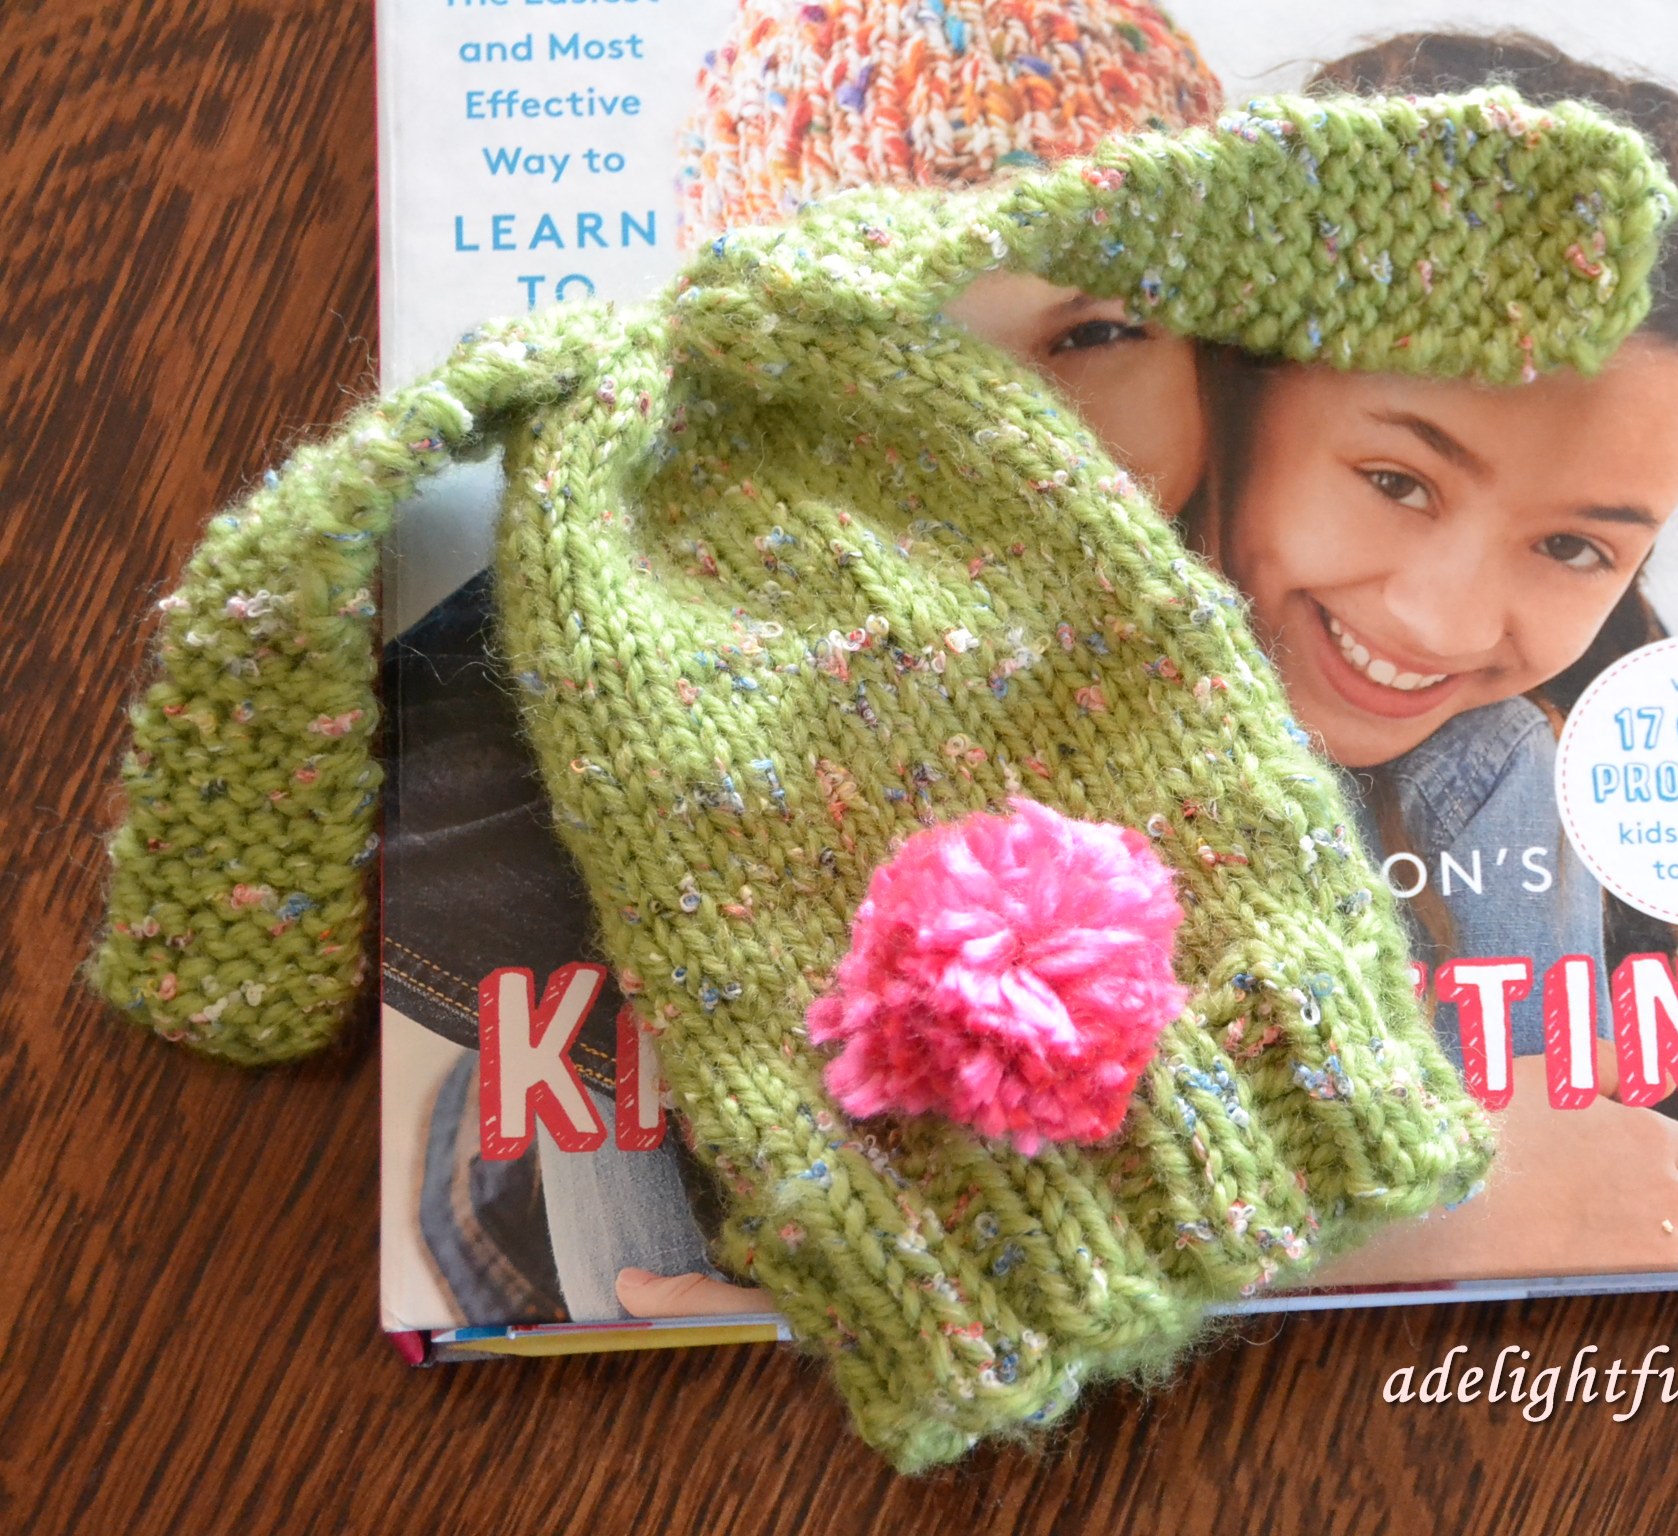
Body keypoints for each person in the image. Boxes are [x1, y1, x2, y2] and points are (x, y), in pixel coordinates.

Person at [389, 0, 1228, 1326]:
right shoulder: (691, 688)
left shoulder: (1323, 608)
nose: (1007, 430)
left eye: (1093, 334)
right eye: (901, 353)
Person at [1189, 30, 1678, 1280]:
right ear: (1240, 383)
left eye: (1572, 547)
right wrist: (1387, 1230)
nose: (1442, 622)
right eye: (1398, 480)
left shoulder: (1498, 786)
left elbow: (1557, 1236)